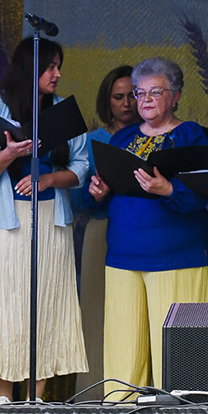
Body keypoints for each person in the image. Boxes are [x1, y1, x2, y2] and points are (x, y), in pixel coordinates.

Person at [0, 38, 92, 401]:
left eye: (58, 67)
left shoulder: (62, 110)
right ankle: (4, 395)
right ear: (29, 68)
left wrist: (48, 179)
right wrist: (10, 153)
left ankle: (36, 396)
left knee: (46, 304)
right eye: (50, 67)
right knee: (1, 305)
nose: (57, 74)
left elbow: (82, 167)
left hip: (50, 218)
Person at [86, 59, 208, 396]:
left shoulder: (190, 134)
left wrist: (168, 189)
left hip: (176, 256)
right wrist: (98, 191)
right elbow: (102, 194)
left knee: (176, 352)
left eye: (155, 92)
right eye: (140, 93)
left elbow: (205, 192)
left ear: (175, 96)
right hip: (123, 254)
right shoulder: (123, 136)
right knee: (122, 347)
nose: (145, 100)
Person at [74, 65, 137, 395]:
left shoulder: (152, 135)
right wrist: (94, 193)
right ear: (106, 100)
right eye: (118, 97)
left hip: (141, 229)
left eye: (132, 95)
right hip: (102, 228)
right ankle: (95, 392)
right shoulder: (93, 140)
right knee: (97, 310)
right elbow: (76, 198)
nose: (126, 103)